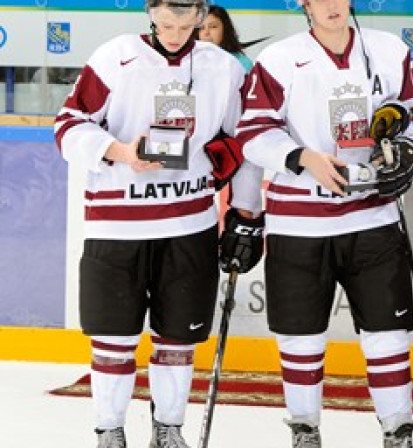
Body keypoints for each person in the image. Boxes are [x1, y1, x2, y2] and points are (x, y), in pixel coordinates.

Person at [53, 1, 265, 447]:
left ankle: (168, 429)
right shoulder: (116, 56)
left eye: (186, 23)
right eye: (166, 22)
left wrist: (246, 213)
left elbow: (245, 142)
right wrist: (123, 151)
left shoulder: (222, 67)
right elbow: (69, 126)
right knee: (114, 337)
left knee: (177, 337)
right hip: (117, 227)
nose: (174, 32)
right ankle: (110, 431)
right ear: (151, 12)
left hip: (189, 223)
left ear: (201, 15)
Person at [233, 0, 413, 446]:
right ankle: (305, 430)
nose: (330, 5)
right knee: (301, 339)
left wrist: (410, 152)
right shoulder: (279, 59)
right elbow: (253, 134)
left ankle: (397, 431)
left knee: (388, 335)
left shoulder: (389, 50)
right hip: (299, 225)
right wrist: (302, 158)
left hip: (374, 219)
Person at [198, 5, 253, 72]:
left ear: (225, 29)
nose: (206, 32)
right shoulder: (189, 61)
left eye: (213, 27)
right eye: (201, 28)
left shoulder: (242, 63)